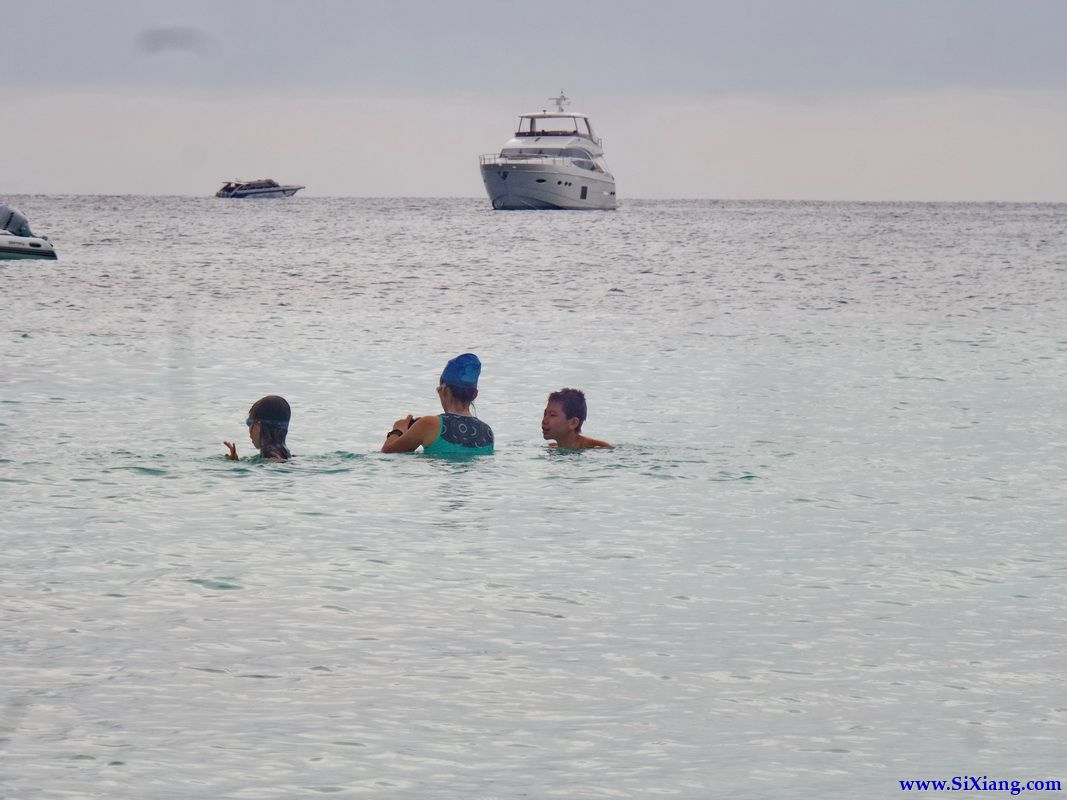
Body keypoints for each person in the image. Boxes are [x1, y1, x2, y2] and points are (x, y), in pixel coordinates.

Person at [382, 353, 494, 456]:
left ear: (444, 390)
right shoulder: (487, 432)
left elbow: (388, 451)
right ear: (474, 395)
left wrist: (398, 429)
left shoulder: (429, 423)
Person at [224, 395, 292, 461]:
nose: (249, 429)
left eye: (249, 423)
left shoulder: (271, 457)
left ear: (258, 424)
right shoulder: (286, 453)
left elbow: (274, 463)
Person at [541, 388, 613, 449]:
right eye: (545, 414)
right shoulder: (551, 447)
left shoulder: (601, 448)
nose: (544, 421)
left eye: (552, 415)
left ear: (573, 423)